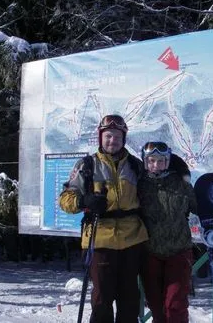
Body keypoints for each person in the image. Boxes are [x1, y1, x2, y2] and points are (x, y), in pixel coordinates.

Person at [59, 114, 148, 323]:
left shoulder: (136, 166)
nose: (112, 141)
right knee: (101, 299)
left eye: (117, 136)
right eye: (108, 136)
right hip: (99, 239)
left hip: (132, 240)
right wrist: (85, 202)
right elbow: (65, 199)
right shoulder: (87, 165)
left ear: (123, 139)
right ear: (100, 137)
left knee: (130, 299)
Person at [138, 141, 197, 323]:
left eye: (161, 160)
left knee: (175, 305)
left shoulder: (180, 183)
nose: (156, 165)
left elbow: (197, 206)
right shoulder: (139, 185)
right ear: (145, 161)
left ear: (168, 161)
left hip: (178, 251)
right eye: (151, 160)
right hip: (150, 252)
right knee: (156, 307)